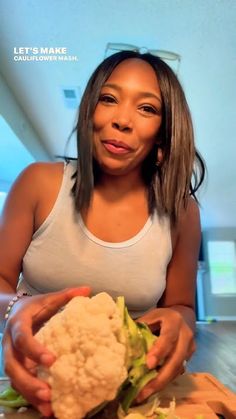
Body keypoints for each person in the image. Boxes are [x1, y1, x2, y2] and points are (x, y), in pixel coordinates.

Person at [0, 50, 205, 417]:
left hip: (134, 397)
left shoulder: (183, 214)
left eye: (147, 108)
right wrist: (15, 306)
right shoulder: (38, 184)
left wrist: (181, 322)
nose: (121, 120)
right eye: (109, 99)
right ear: (90, 110)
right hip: (35, 382)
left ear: (164, 131)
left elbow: (182, 306)